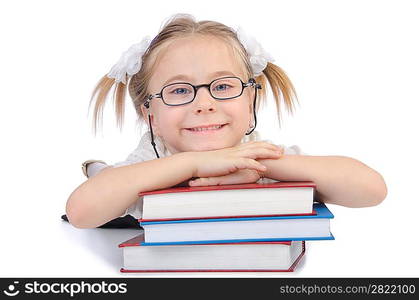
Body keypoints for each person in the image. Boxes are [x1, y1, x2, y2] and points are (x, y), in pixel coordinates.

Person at [66, 13, 387, 229]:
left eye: (222, 87)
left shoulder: (256, 152)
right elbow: (81, 212)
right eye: (179, 91)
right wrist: (193, 164)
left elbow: (371, 190)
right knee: (108, 178)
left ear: (250, 99)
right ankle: (98, 167)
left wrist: (258, 166)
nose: (204, 104)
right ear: (149, 112)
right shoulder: (152, 159)